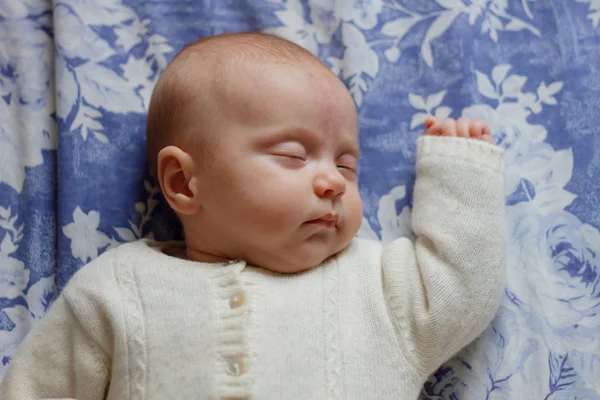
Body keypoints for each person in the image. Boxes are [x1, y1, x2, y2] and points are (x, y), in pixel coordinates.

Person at [0, 32, 505, 399]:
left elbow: (463, 287)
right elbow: (37, 388)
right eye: (292, 155)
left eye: (347, 166)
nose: (331, 181)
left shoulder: (375, 286)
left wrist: (459, 172)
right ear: (182, 183)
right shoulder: (117, 286)